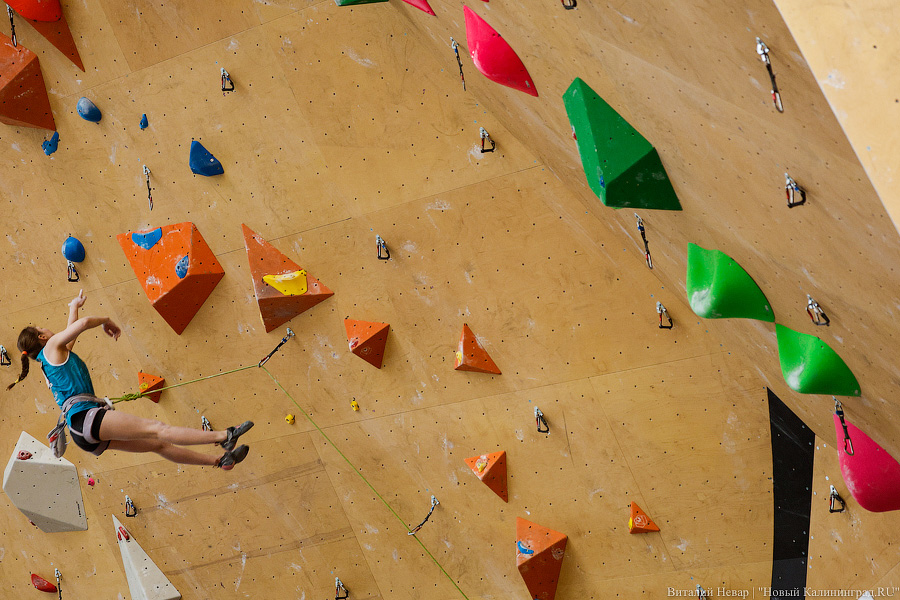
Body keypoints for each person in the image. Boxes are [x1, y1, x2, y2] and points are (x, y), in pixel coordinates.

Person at [7, 290, 252, 469]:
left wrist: (74, 306)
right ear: (41, 336)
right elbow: (80, 326)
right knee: (158, 430)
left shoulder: (51, 359)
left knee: (159, 445)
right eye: (43, 329)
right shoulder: (52, 346)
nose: (50, 330)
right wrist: (105, 321)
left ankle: (220, 462)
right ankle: (225, 436)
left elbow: (70, 336)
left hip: (82, 431)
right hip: (86, 419)